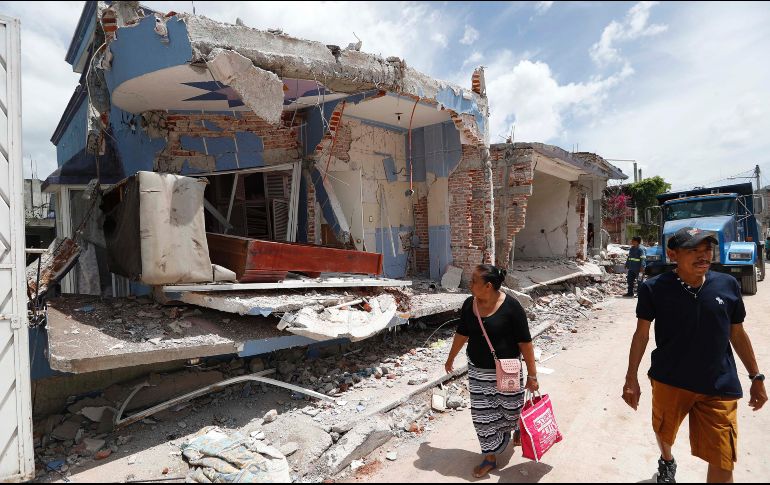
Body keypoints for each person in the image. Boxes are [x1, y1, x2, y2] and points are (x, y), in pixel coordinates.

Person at [623, 227, 767, 483]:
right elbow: (641, 334)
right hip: (670, 379)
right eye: (693, 250)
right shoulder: (654, 288)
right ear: (672, 254)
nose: (703, 256)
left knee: (723, 457)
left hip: (719, 385)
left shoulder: (728, 284)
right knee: (664, 432)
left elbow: (737, 334)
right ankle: (667, 460)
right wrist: (631, 378)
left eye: (707, 249)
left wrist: (756, 376)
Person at [444, 264, 538, 478]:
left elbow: (525, 343)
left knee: (511, 410)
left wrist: (532, 375)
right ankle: (489, 456)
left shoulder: (512, 307)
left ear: (488, 286)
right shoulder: (469, 305)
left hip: (508, 371)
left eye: (474, 281)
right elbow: (462, 332)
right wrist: (450, 357)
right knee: (483, 415)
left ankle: (516, 429)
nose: (469, 284)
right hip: (478, 373)